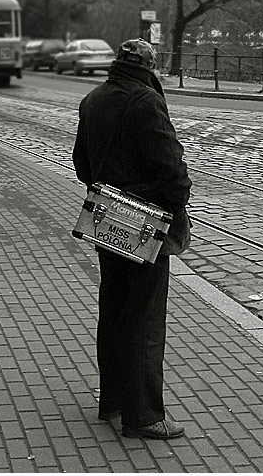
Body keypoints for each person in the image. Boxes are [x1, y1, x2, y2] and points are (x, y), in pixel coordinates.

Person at [73, 38, 192, 440]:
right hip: (145, 226)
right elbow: (171, 168)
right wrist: (174, 212)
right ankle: (144, 416)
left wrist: (110, 193)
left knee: (115, 308)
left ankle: (115, 402)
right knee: (144, 319)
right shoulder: (145, 101)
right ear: (149, 68)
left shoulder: (92, 99)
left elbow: (81, 163)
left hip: (107, 219)